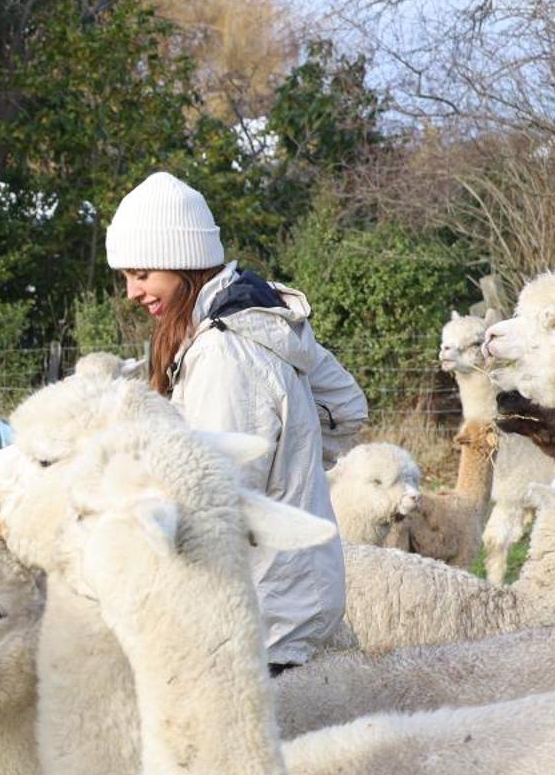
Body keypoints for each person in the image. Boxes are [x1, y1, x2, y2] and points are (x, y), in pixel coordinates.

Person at [104, 170, 366, 672]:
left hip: (264, 616)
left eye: (141, 274)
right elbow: (347, 407)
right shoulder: (260, 319)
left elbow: (216, 495)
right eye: (126, 278)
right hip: (282, 599)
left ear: (180, 262)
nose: (132, 292)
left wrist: (291, 461)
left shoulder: (225, 353)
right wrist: (297, 457)